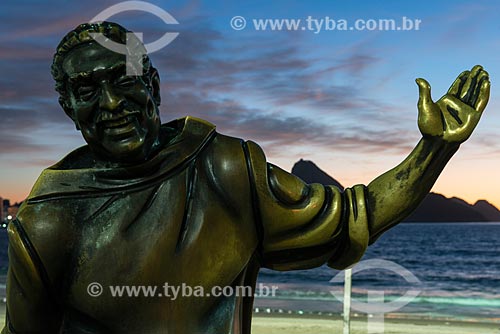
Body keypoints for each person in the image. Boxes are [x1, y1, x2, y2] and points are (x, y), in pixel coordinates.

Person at [1, 22, 490, 334]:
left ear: (151, 84)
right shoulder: (49, 222)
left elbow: (353, 216)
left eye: (123, 80)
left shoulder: (225, 170)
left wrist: (436, 147)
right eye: (88, 90)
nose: (111, 104)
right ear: (69, 108)